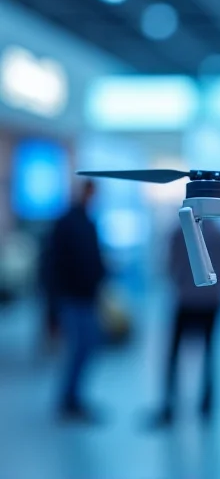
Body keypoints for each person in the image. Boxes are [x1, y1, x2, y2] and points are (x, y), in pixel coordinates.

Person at [147, 221, 220, 428]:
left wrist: (180, 284)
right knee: (210, 353)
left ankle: (169, 405)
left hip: (185, 299)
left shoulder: (179, 232)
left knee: (174, 355)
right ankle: (207, 406)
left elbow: (168, 264)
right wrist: (219, 289)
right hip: (211, 302)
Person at [47, 180, 107, 422]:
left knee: (87, 347)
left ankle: (73, 398)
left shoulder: (87, 222)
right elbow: (53, 266)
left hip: (87, 297)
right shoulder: (67, 223)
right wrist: (52, 308)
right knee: (80, 349)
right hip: (72, 297)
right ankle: (69, 400)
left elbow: (93, 260)